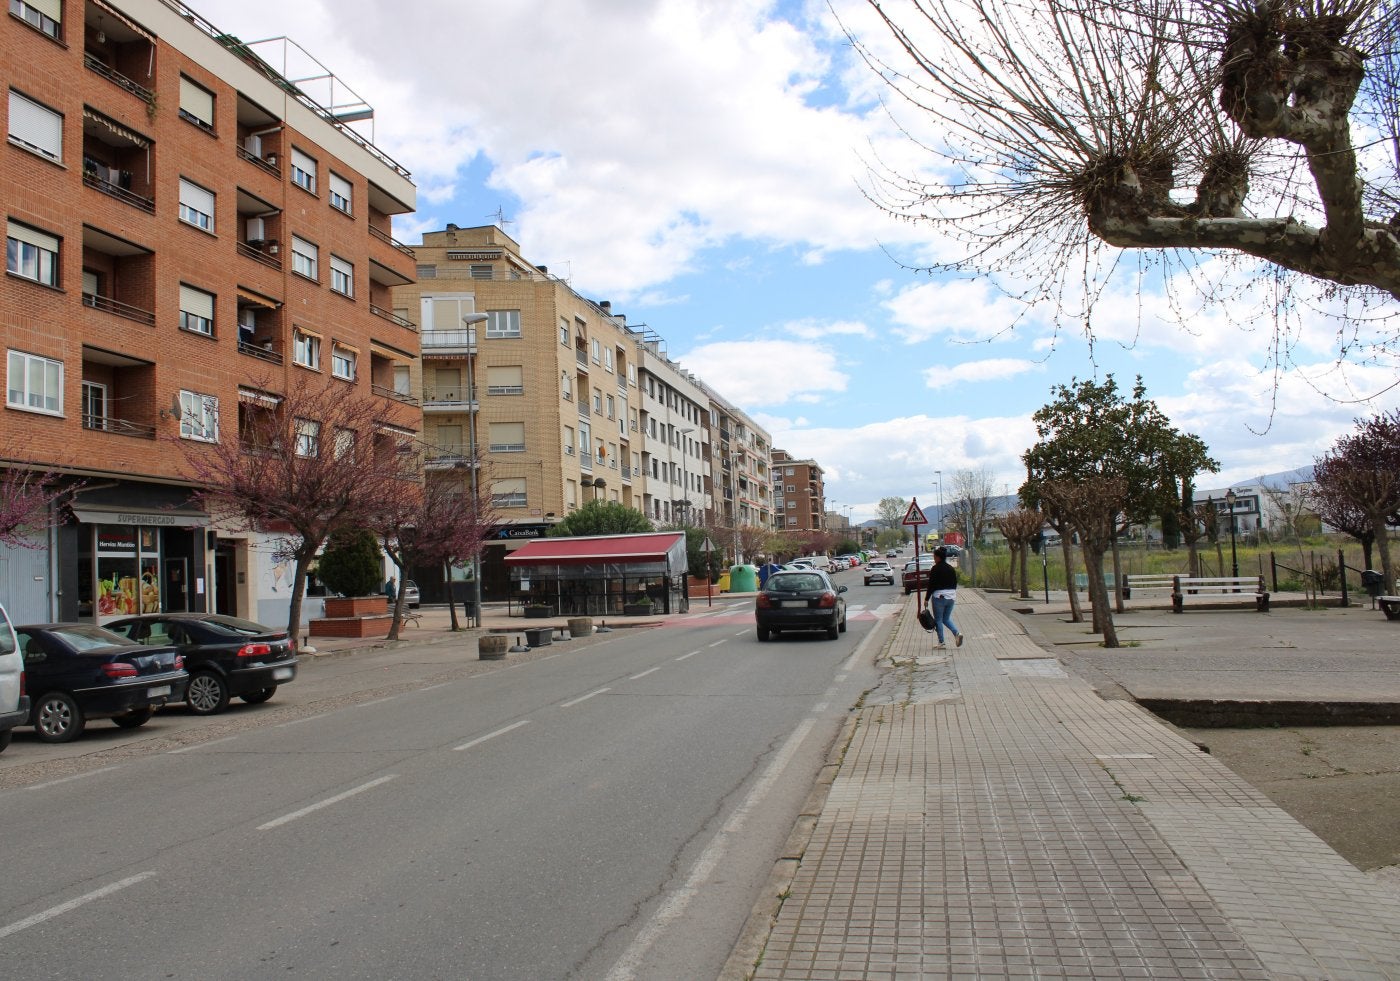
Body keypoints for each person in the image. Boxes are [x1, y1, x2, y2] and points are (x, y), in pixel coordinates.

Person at [924, 546, 963, 649]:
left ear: (938, 557)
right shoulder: (951, 568)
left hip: (939, 597)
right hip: (951, 597)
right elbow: (955, 583)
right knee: (946, 618)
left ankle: (941, 642)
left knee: (938, 620)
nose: (934, 558)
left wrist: (926, 599)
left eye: (934, 556)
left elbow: (931, 585)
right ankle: (957, 633)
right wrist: (951, 594)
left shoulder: (935, 569)